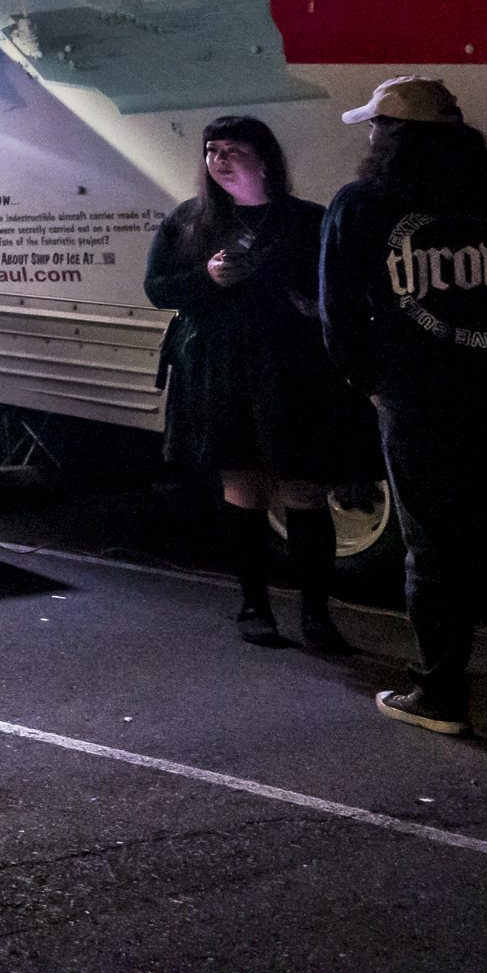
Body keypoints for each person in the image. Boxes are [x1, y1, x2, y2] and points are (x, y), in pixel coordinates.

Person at [317, 76, 487, 748]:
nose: (370, 135)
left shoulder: (362, 203)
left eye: (375, 125)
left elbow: (338, 311)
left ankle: (439, 695)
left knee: (436, 555)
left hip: (424, 408)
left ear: (390, 135)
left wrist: (374, 384)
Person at [142, 114, 366, 651]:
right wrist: (207, 277)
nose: (218, 160)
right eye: (211, 150)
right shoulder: (189, 220)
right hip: (220, 370)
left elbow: (342, 285)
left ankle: (317, 616)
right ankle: (253, 607)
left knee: (304, 491)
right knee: (243, 488)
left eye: (233, 150)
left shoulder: (306, 219)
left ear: (264, 159)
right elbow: (157, 288)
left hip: (293, 371)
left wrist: (315, 303)